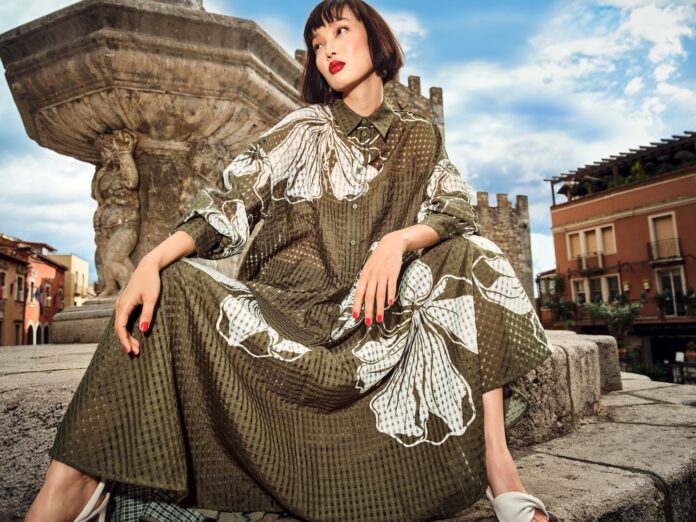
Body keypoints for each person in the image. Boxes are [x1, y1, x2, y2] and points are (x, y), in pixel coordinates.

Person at [24, 1, 557, 521]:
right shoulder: (304, 128)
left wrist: (397, 241)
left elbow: (456, 209)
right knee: (175, 280)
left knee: (473, 255)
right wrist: (150, 260)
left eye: (340, 32)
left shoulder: (420, 136)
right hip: (281, 318)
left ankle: (499, 469)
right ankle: (75, 482)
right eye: (317, 44)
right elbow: (229, 201)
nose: (327, 50)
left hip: (366, 322)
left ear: (376, 39)